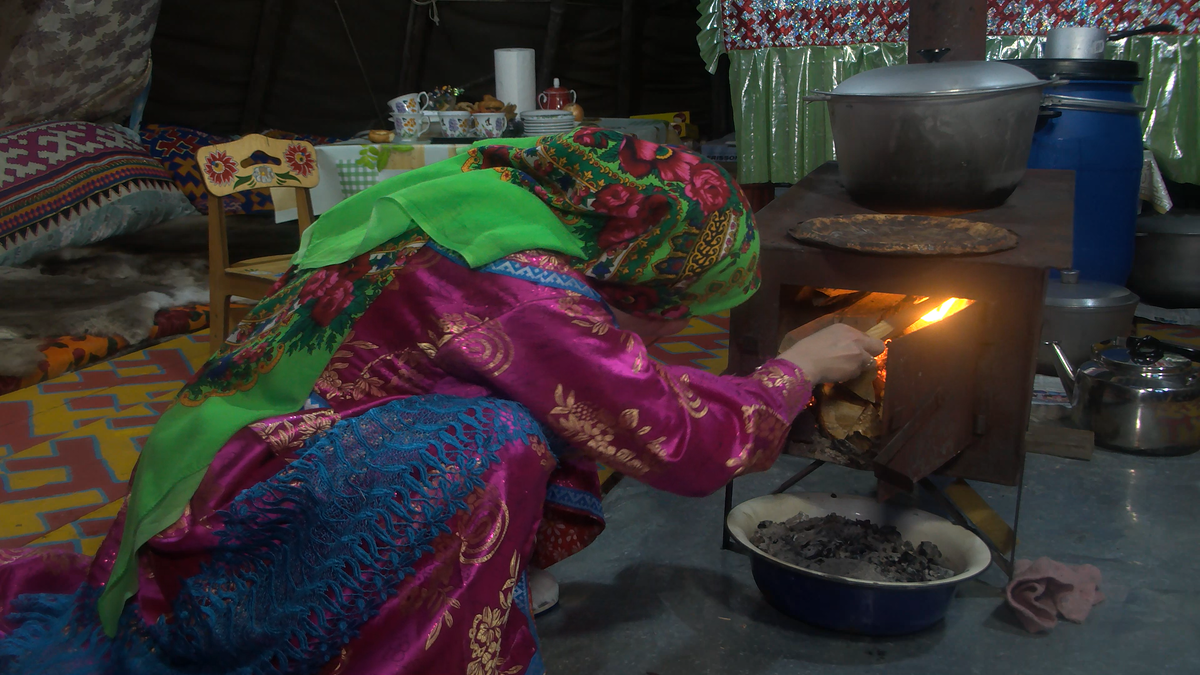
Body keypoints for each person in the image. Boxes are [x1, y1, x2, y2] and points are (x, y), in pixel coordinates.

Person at [0, 129, 883, 674]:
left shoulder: (480, 202)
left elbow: (604, 380)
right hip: (230, 532)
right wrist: (795, 371)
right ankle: (384, 633)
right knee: (492, 434)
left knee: (529, 406)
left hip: (220, 453)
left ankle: (465, 569)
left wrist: (756, 376)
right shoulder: (526, 287)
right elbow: (676, 442)